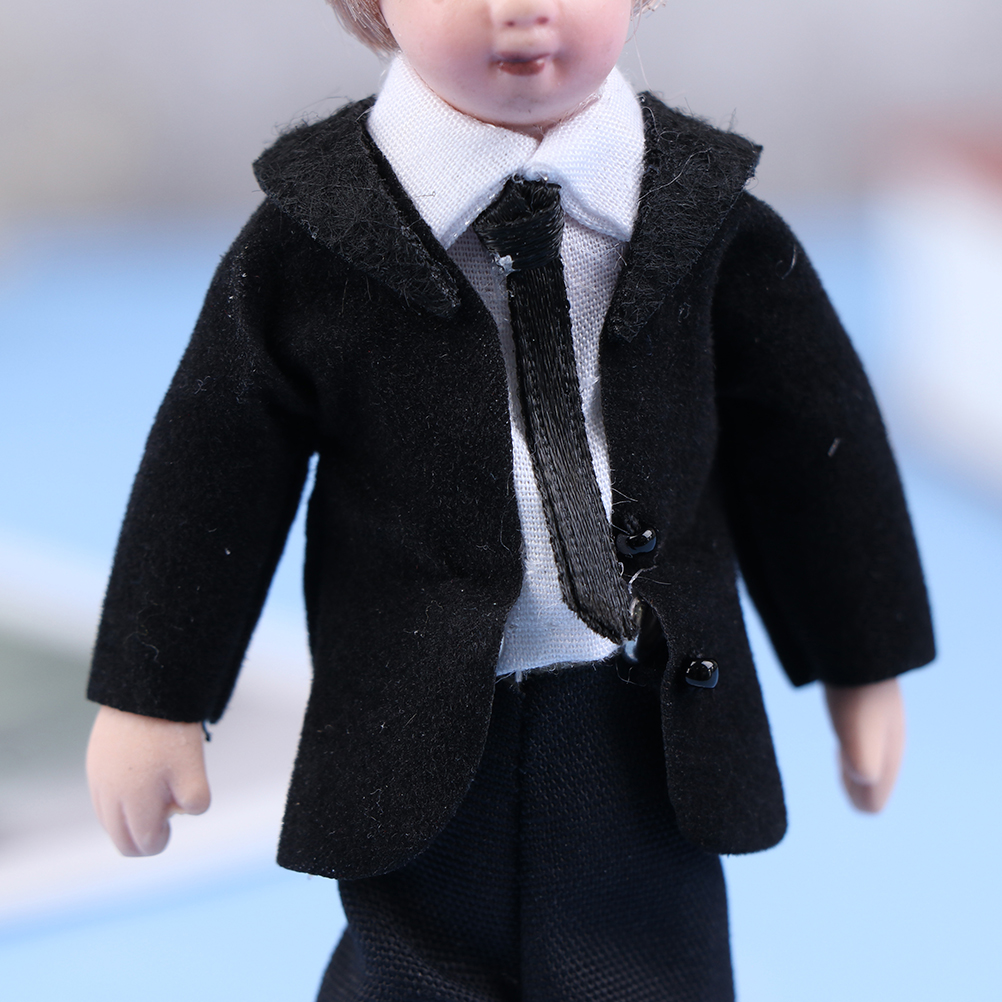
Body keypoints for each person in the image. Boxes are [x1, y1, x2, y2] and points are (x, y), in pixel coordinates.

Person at [85, 0, 934, 998]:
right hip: (419, 716)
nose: (520, 9)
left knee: (650, 966)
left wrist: (862, 660)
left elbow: (814, 448)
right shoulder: (315, 239)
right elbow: (212, 468)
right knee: (411, 966)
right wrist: (153, 694)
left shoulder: (708, 222)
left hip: (642, 716)